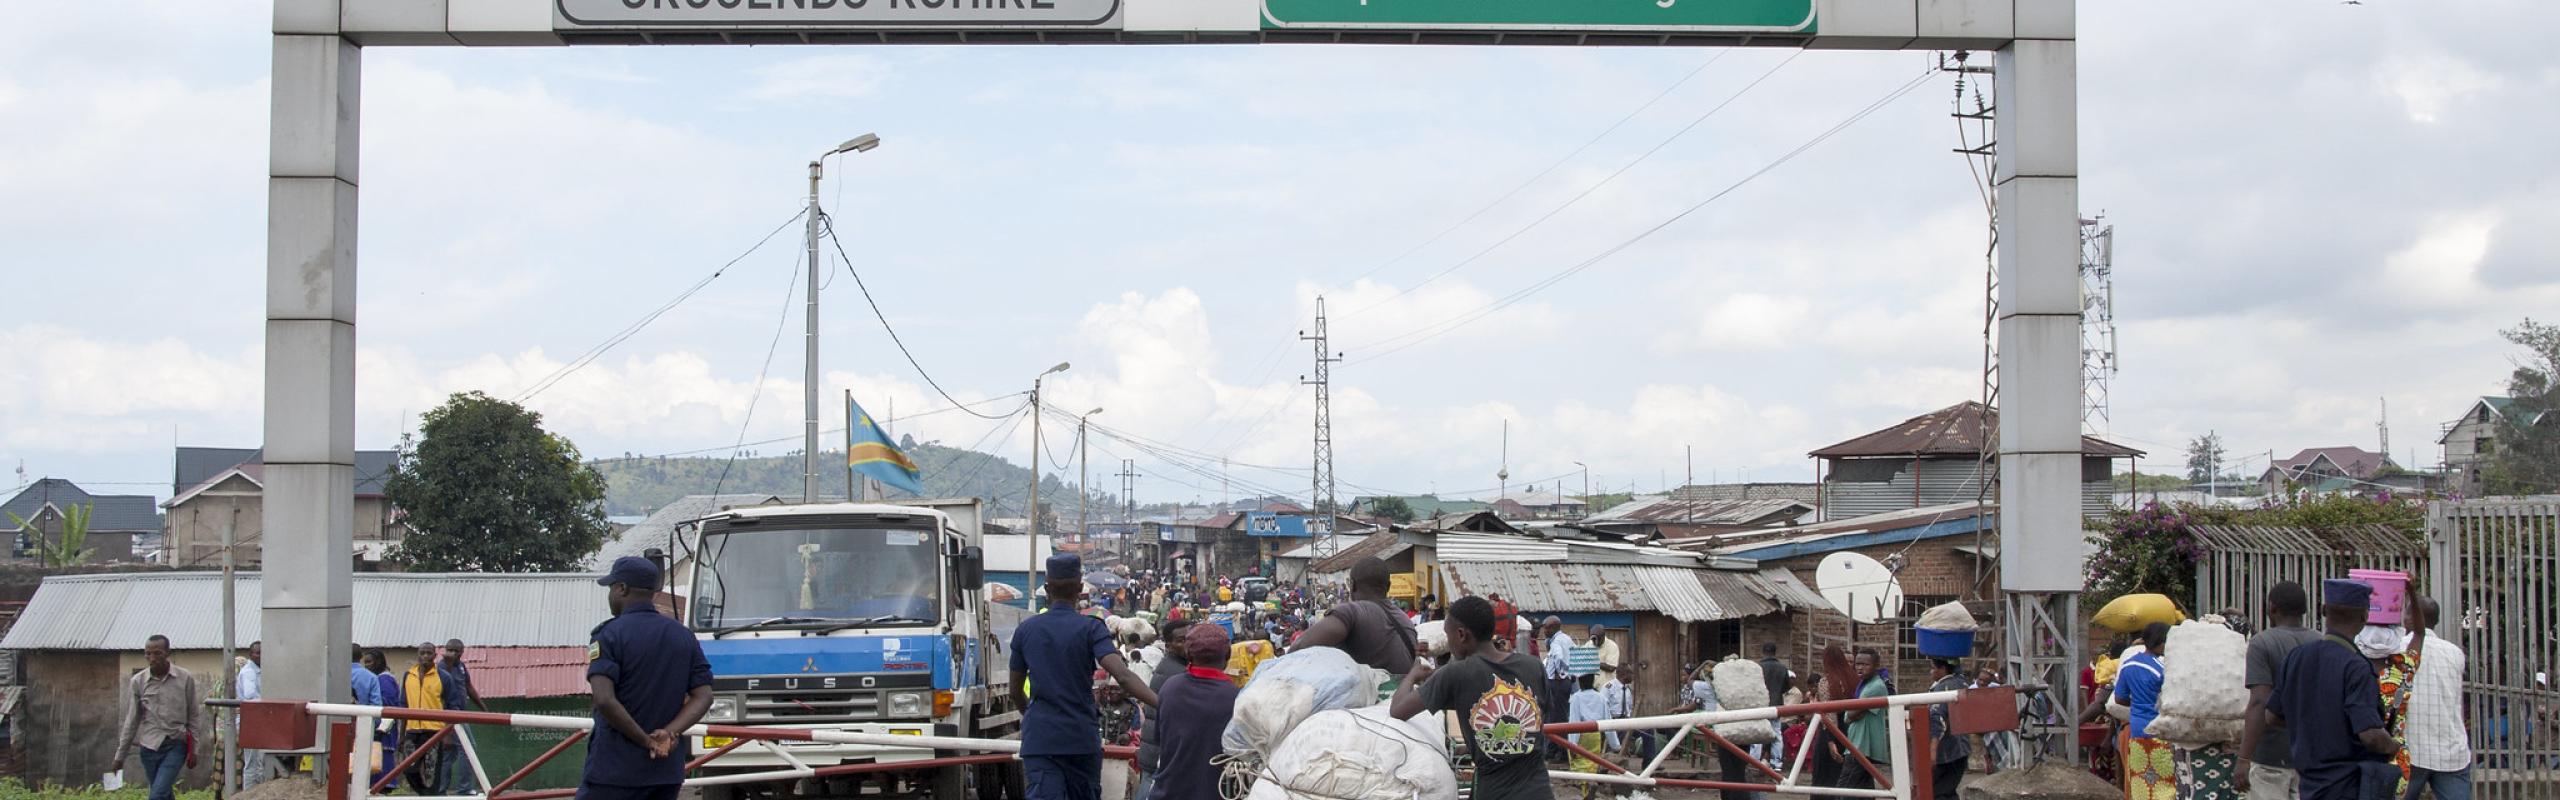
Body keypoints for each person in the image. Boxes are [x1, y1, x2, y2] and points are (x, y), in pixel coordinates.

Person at [1012, 554, 1159, 800]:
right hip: (1080, 737)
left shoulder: (1026, 630)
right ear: (1080, 589)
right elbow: (1122, 676)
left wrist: (1034, 718)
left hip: (1040, 739)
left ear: (1047, 588)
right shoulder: (1091, 628)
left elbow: (1015, 691)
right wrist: (1162, 703)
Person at [582, 556, 716, 800]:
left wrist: (646, 741)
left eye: (611, 587)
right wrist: (669, 733)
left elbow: (604, 699)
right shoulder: (683, 636)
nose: (610, 594)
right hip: (665, 773)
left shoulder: (609, 635)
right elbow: (704, 696)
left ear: (622, 588)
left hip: (614, 773)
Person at [1393, 595, 1550, 800]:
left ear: (1461, 635)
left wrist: (1412, 675)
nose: (1448, 642)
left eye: (1448, 635)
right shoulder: (1534, 666)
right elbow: (1539, 722)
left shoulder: (1454, 674)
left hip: (1494, 792)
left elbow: (1398, 710)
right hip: (1539, 790)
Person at [2266, 579, 2400, 800]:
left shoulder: (2296, 658)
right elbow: (2371, 736)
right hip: (2348, 787)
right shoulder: (2356, 667)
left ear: (2323, 610)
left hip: (2309, 786)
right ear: (2365, 616)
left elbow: (2272, 716)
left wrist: (2312, 727)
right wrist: (2392, 746)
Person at [2238, 580, 2323, 799]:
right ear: (2304, 610)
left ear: (2272, 608)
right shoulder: (2320, 642)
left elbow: (2259, 702)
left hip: (2270, 757)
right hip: (2313, 756)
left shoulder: (2261, 643)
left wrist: (2243, 758)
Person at [1288, 557, 1419, 692]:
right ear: (1389, 586)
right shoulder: (1405, 619)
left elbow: (1300, 646)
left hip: (1369, 705)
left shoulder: (1352, 612)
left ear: (1353, 585)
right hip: (1403, 699)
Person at [1149, 624, 1240, 800]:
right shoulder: (1237, 698)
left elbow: (1160, 739)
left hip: (1167, 793)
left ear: (1189, 654)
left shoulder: (1170, 687)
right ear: (1228, 655)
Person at [110, 634, 202, 800]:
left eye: (157, 653)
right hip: (149, 747)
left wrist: (194, 749)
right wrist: (120, 756)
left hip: (176, 744)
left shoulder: (184, 678)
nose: (152, 658)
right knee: (163, 793)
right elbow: (132, 720)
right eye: (148, 654)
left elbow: (193, 715)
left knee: (157, 794)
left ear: (167, 653)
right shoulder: (138, 682)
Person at [2399, 597, 2470, 800]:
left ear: (2412, 618)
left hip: (2412, 749)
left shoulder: (2397, 648)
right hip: (2451, 750)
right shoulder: (2455, 653)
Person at [1133, 617, 1195, 800]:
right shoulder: (1176, 673)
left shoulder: (1178, 667)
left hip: (1156, 748)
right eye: (1180, 640)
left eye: (1190, 638)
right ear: (1168, 645)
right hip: (1159, 751)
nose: (1186, 644)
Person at [2118, 622, 2174, 800]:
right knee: (2165, 786)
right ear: (2160, 642)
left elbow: (2119, 698)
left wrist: (2138, 703)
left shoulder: (2128, 664)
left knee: (2142, 784)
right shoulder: (2162, 668)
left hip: (2137, 731)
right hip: (2161, 732)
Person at [400, 641, 449, 794]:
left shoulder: (443, 676)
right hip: (412, 731)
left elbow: (451, 706)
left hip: (434, 732)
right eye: (422, 653)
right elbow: (403, 706)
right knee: (409, 769)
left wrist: (447, 734)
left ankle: (430, 795)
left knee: (431, 775)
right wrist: (401, 735)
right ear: (418, 655)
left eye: (429, 653)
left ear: (435, 656)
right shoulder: (409, 675)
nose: (425, 656)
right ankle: (424, 795)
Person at [439, 638, 486, 794]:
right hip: (450, 715)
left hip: (461, 713)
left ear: (461, 652)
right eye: (448, 649)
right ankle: (464, 789)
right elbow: (441, 695)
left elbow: (468, 687)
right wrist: (445, 723)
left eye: (455, 650)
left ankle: (440, 789)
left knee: (450, 753)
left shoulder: (461, 667)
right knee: (468, 748)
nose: (451, 653)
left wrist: (484, 709)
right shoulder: (441, 667)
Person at [1841, 648, 1891, 791]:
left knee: (1845, 788)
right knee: (1863, 790)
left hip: (1861, 745)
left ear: (1876, 666)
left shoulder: (1876, 686)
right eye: (1857, 664)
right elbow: (1849, 715)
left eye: (1865, 664)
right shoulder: (1863, 685)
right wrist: (1852, 713)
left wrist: (1852, 713)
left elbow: (1850, 714)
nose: (1860, 668)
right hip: (1857, 743)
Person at [1926, 659, 1972, 800]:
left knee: (1939, 792)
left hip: (1947, 751)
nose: (1931, 672)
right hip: (1962, 748)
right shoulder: (1961, 682)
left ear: (1943, 669)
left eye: (1933, 668)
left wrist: (1932, 751)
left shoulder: (1942, 689)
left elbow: (1937, 720)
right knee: (1948, 790)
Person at [238, 640, 276, 788]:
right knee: (252, 763)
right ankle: (249, 795)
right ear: (251, 654)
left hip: (261, 722)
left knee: (261, 762)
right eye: (257, 653)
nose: (261, 656)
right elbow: (250, 696)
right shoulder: (249, 673)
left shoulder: (262, 671)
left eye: (263, 653)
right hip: (252, 721)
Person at [1566, 673, 1610, 792]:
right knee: (1592, 761)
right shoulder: (1601, 697)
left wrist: (1572, 745)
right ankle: (1590, 783)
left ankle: (1585, 786)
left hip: (1581, 735)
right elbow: (1608, 721)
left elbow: (1574, 722)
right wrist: (1615, 743)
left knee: (1579, 762)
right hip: (1596, 736)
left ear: (1580, 681)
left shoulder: (1576, 697)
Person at [1541, 617, 1573, 763]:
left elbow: (1559, 658)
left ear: (1554, 627)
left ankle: (1561, 753)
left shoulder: (1557, 641)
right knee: (1556, 717)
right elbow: (1575, 655)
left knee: (1557, 718)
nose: (1544, 630)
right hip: (1563, 682)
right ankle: (1553, 750)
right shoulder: (1567, 639)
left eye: (1546, 628)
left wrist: (1561, 673)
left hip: (1557, 683)